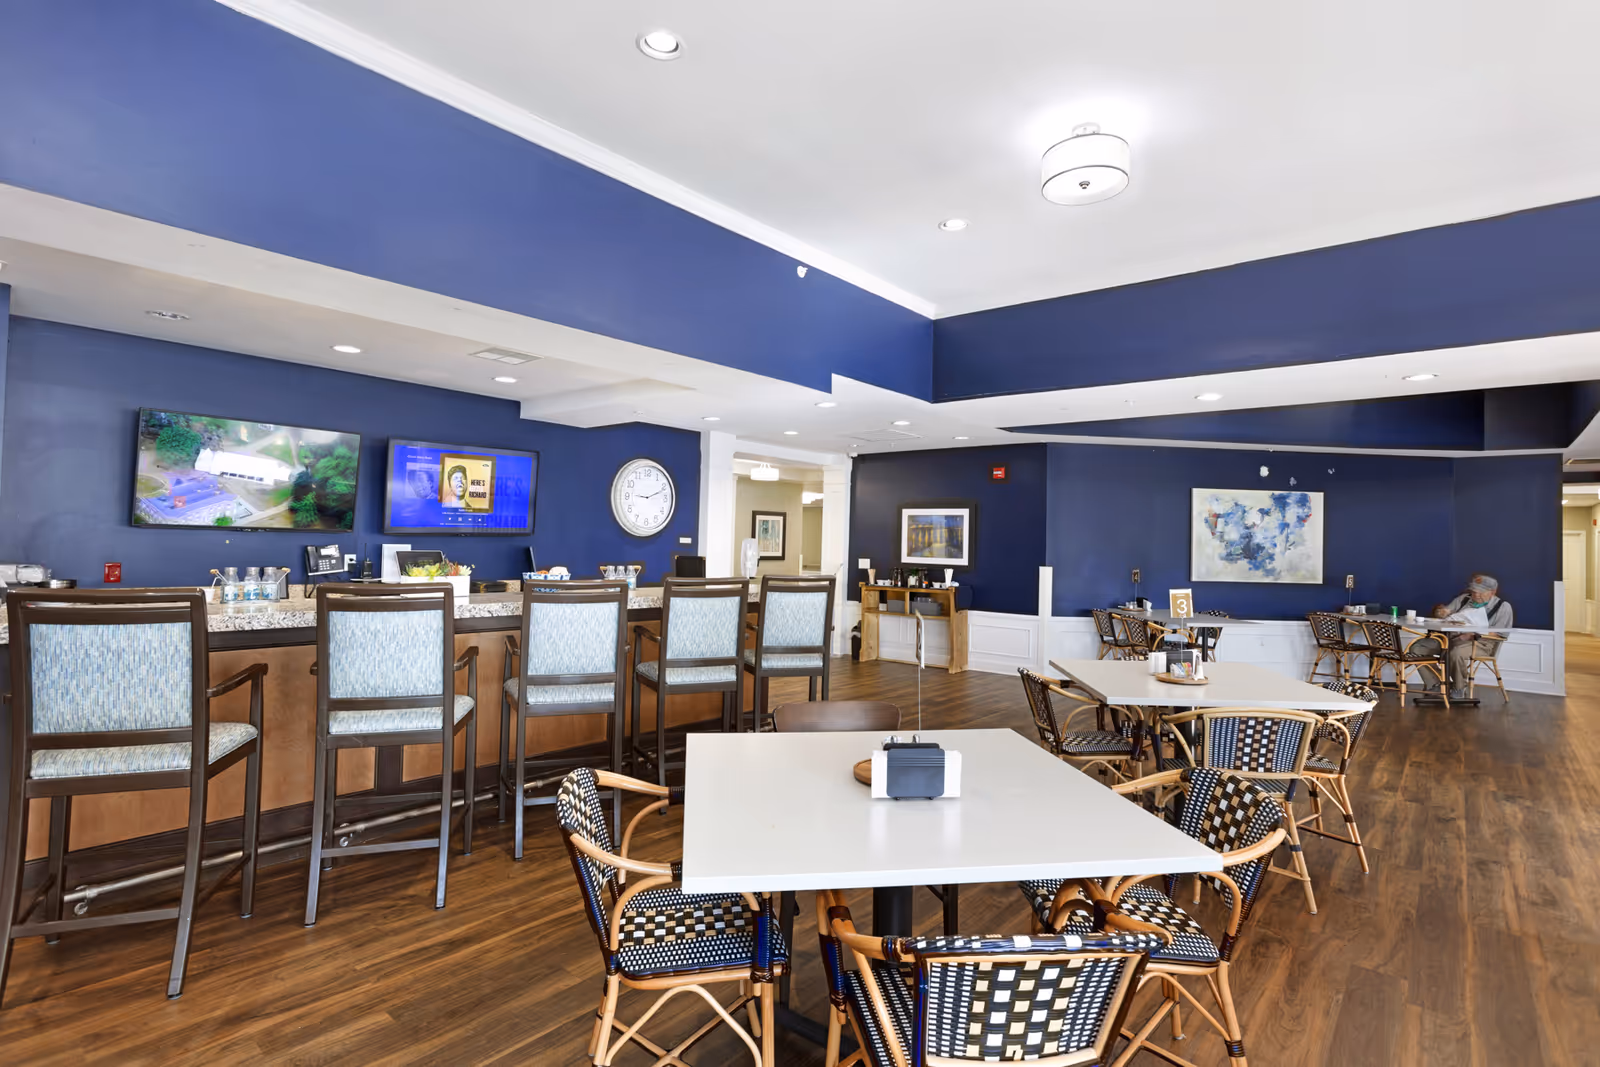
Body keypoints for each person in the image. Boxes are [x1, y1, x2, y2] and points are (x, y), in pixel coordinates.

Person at [1412, 573, 1513, 699]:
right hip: (1450, 638)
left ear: (1493, 592)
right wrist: (1441, 612)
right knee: (1417, 648)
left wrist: (1473, 634)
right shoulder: (1463, 599)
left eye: (1480, 592)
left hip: (1480, 643)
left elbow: (1500, 633)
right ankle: (1437, 683)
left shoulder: (1503, 607)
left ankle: (1459, 688)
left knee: (1456, 652)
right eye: (1474, 591)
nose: (1476, 595)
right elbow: (1444, 615)